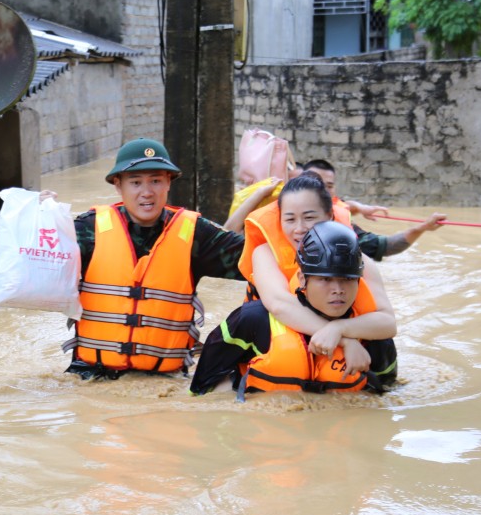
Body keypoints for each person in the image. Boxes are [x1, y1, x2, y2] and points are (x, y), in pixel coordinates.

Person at [52, 138, 246, 380]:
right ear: (118, 185)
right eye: (135, 183)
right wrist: (41, 217)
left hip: (164, 380)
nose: (147, 192)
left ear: (168, 183)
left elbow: (256, 261)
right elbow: (38, 272)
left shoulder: (196, 234)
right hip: (91, 376)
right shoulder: (87, 229)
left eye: (156, 181)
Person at [190, 221, 395, 399]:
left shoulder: (373, 338)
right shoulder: (252, 321)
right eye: (325, 279)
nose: (338, 290)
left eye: (347, 279)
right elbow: (201, 388)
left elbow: (386, 396)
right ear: (303, 279)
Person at [237, 173, 398, 381]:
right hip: (279, 347)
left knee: (381, 343)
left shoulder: (358, 258)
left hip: (336, 345)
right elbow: (278, 304)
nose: (299, 229)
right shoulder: (265, 253)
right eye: (290, 219)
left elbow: (387, 323)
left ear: (330, 216)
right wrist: (346, 341)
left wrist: (340, 328)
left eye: (310, 217)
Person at [302, 159, 447, 261]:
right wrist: (358, 207)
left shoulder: (341, 228)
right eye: (316, 183)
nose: (323, 190)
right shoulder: (283, 209)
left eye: (329, 186)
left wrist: (422, 228)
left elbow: (386, 247)